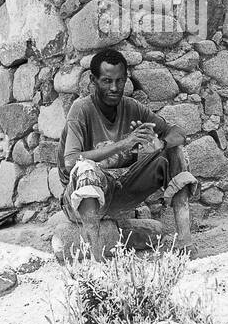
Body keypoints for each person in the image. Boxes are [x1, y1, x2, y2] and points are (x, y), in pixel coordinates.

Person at [54, 48, 198, 261]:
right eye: (106, 81)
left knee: (174, 151)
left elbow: (178, 133)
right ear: (93, 81)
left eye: (120, 81)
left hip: (120, 193)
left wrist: (160, 143)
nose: (114, 88)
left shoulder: (132, 107)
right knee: (86, 168)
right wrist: (124, 144)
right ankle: (96, 260)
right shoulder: (81, 109)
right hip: (80, 200)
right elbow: (70, 162)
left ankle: (185, 243)